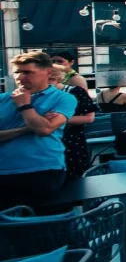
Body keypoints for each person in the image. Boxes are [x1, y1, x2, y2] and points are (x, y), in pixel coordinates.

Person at [0, 52, 77, 210]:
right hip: (4, 172)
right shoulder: (3, 99)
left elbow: (44, 129)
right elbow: (38, 127)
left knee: (47, 225)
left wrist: (25, 106)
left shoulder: (63, 98)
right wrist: (26, 129)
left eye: (27, 72)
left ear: (47, 72)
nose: (21, 78)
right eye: (17, 72)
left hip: (43, 171)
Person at [50, 64, 98, 179]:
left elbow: (89, 117)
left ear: (58, 79)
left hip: (72, 140)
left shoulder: (75, 92)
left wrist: (58, 120)